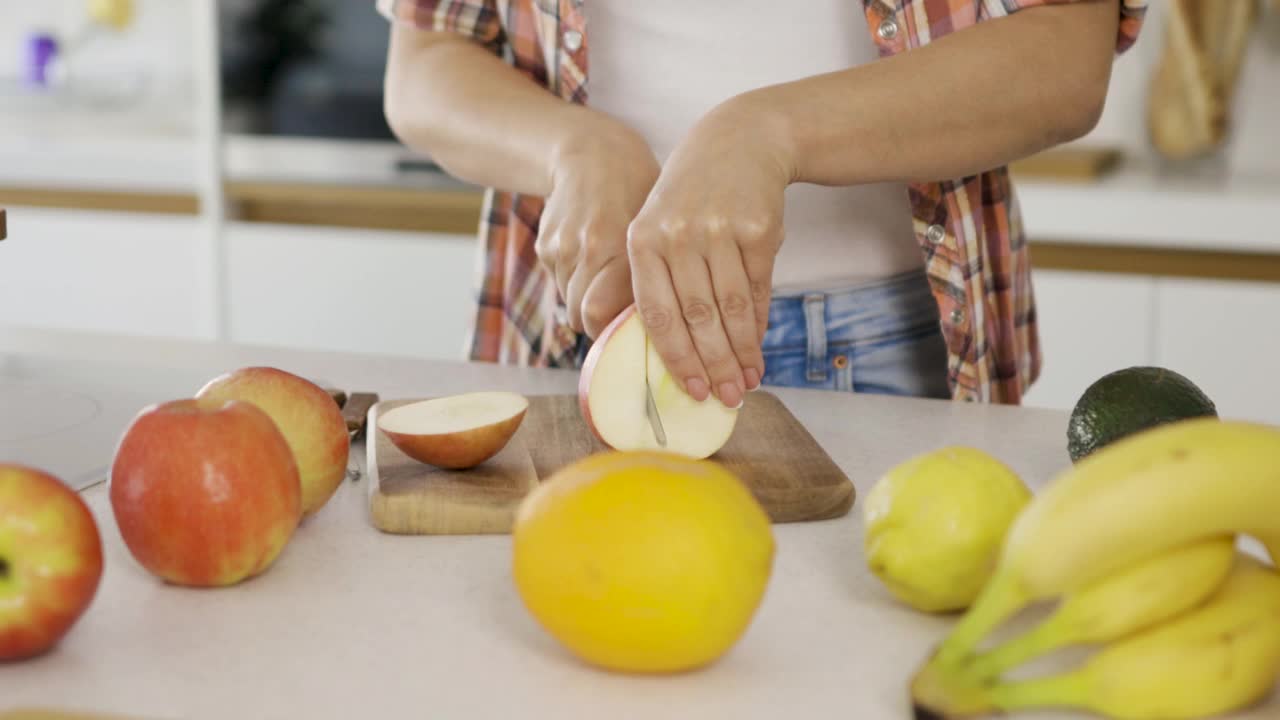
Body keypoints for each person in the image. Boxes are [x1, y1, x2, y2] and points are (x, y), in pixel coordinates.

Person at [377, 0, 1147, 409]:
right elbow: (425, 63)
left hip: (904, 341)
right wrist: (572, 146)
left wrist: (767, 131)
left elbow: (1064, 57)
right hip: (582, 326)